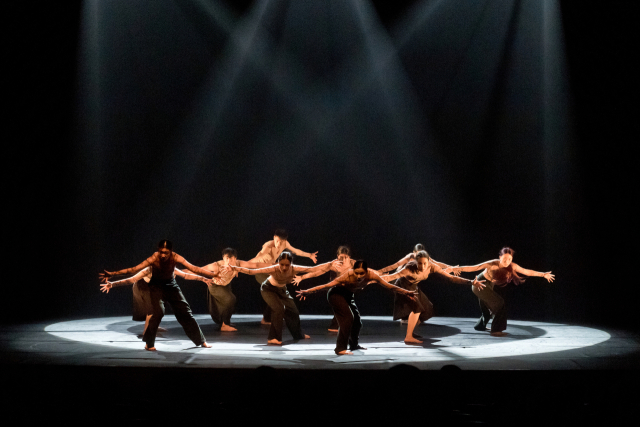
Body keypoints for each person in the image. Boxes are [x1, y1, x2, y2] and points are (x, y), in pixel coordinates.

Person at [99, 240, 216, 351]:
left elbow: (189, 272)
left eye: (166, 252)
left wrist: (206, 277)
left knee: (185, 312)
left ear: (171, 252)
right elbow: (132, 273)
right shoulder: (152, 262)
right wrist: (113, 277)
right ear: (158, 250)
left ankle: (201, 341)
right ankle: (149, 343)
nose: (163, 255)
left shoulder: (175, 258)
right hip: (156, 288)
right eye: (161, 252)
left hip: (171, 287)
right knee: (158, 312)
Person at [296, 260, 418, 355]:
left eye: (361, 273)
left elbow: (389, 286)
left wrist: (406, 292)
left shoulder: (372, 275)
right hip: (336, 295)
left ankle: (354, 345)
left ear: (366, 271)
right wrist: (308, 291)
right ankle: (340, 348)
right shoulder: (347, 276)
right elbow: (327, 286)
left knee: (357, 322)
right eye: (356, 273)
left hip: (348, 295)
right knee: (348, 319)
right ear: (353, 271)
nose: (359, 276)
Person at [225, 251, 330, 345]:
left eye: (287, 265)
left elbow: (313, 269)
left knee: (293, 311)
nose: (284, 267)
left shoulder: (294, 268)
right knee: (279, 309)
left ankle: (298, 335)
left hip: (282, 290)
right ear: (278, 262)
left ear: (291, 264)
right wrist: (234, 268)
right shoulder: (274, 268)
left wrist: (331, 264)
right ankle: (273, 338)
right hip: (268, 289)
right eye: (281, 264)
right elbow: (252, 271)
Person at [380, 250, 485, 344]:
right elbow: (390, 277)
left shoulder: (432, 267)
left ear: (428, 262)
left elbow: (451, 278)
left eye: (425, 263)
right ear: (416, 262)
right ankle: (408, 337)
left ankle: (410, 331)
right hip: (403, 286)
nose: (422, 266)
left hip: (414, 286)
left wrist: (471, 282)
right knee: (417, 309)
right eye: (419, 263)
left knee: (427, 308)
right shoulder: (409, 268)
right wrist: (374, 278)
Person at [451, 247, 555, 336]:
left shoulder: (513, 266)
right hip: (479, 283)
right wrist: (454, 269)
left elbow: (527, 271)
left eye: (509, 259)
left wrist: (543, 274)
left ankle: (480, 326)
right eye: (504, 259)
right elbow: (473, 268)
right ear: (500, 257)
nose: (507, 261)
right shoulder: (492, 264)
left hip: (489, 285)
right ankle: (496, 330)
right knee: (499, 303)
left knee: (487, 307)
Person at [101, 266, 214, 336]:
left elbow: (186, 275)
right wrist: (113, 284)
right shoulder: (150, 269)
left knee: (160, 305)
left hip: (157, 287)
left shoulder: (171, 268)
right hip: (143, 286)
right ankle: (147, 331)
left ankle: (154, 325)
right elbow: (131, 278)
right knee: (152, 308)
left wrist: (203, 278)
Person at [192, 248, 273, 332]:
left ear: (235, 258)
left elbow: (256, 265)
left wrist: (274, 265)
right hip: (215, 286)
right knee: (230, 299)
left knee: (230, 303)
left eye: (231, 259)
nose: (229, 261)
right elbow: (198, 270)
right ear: (223, 258)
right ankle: (224, 325)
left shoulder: (238, 264)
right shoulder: (216, 265)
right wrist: (183, 273)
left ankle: (226, 322)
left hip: (226, 285)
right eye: (227, 258)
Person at [248, 229, 318, 324]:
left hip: (270, 272)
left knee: (277, 292)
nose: (279, 244)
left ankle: (267, 318)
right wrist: (239, 267)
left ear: (285, 241)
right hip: (260, 273)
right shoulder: (267, 247)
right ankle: (267, 318)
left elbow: (296, 251)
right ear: (274, 238)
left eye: (281, 242)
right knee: (275, 290)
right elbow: (256, 259)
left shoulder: (285, 244)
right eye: (277, 241)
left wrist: (310, 255)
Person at [377, 243, 459, 324]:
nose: (419, 256)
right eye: (417, 253)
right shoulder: (410, 257)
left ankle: (414, 319)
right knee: (408, 300)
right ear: (414, 252)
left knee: (426, 305)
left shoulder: (423, 258)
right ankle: (405, 318)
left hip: (412, 283)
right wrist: (379, 272)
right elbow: (395, 265)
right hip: (400, 280)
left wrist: (451, 267)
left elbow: (437, 263)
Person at [292, 245, 354, 332]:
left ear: (349, 257)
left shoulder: (353, 264)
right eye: (341, 257)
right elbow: (317, 272)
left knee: (345, 307)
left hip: (346, 289)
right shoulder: (334, 264)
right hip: (334, 288)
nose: (343, 260)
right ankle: (335, 326)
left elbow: (366, 271)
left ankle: (337, 326)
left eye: (345, 257)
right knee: (342, 305)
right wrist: (302, 277)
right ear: (337, 256)